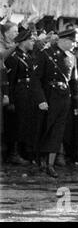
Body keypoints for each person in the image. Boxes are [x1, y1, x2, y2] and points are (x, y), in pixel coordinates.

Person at [30, 28, 78, 178]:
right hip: (48, 95)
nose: (74, 45)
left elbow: (74, 81)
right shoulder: (45, 54)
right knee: (44, 128)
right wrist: (41, 100)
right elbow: (36, 79)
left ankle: (50, 165)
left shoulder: (72, 57)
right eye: (72, 41)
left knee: (58, 131)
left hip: (64, 97)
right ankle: (41, 162)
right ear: (63, 40)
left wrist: (77, 103)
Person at [4, 29, 36, 165]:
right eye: (31, 40)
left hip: (26, 94)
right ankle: (13, 153)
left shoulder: (27, 57)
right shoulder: (14, 57)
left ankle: (23, 152)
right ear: (23, 41)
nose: (33, 42)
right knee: (15, 124)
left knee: (24, 123)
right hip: (17, 93)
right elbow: (10, 80)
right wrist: (10, 99)